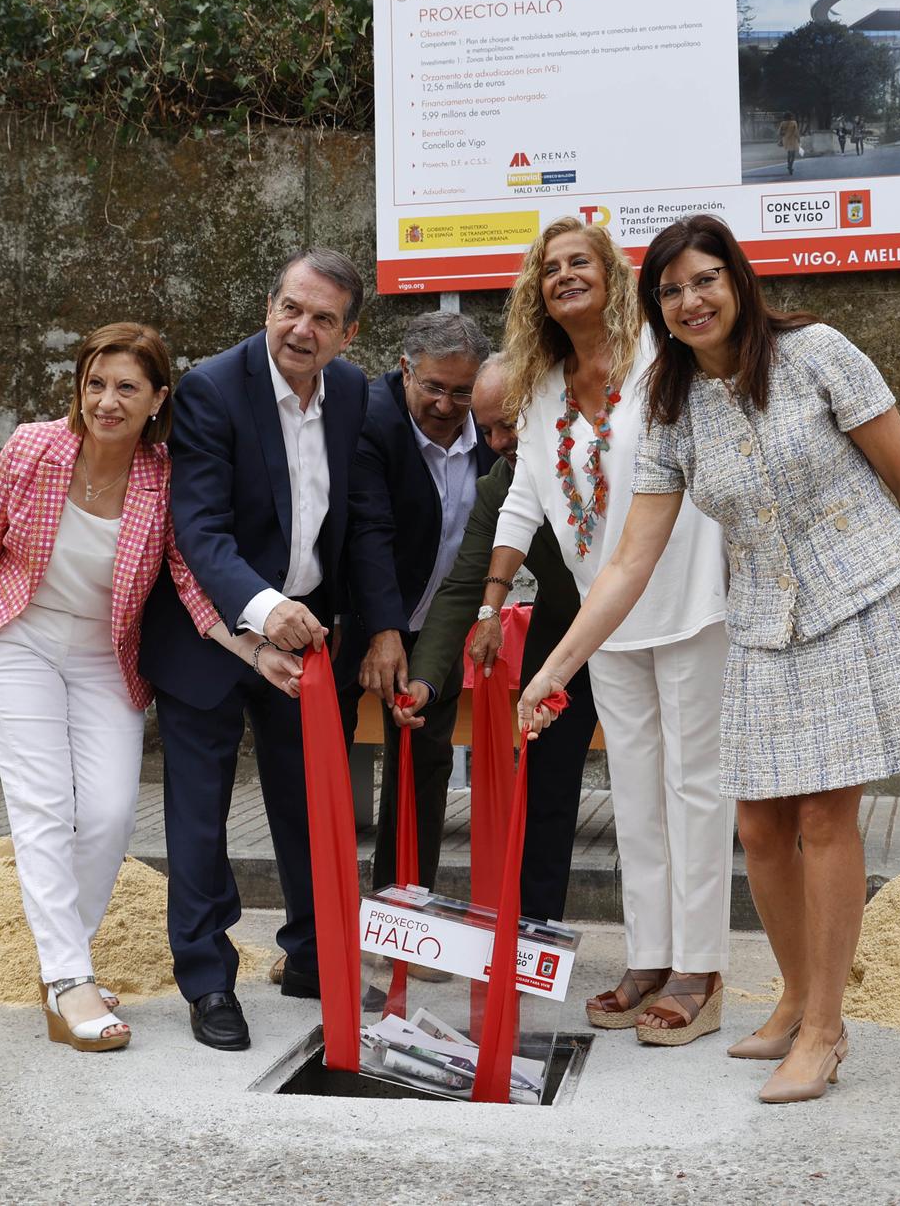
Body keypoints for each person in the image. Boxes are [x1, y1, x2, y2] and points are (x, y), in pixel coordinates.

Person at [519, 213, 900, 1104]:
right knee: (757, 826)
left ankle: (828, 1030)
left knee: (825, 820)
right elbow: (629, 561)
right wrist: (555, 668)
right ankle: (799, 997)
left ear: (738, 280)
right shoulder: (672, 411)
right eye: (672, 289)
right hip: (760, 615)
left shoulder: (818, 353)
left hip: (858, 596)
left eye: (705, 279)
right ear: (656, 307)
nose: (691, 300)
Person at [0, 322, 299, 1053]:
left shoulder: (163, 475)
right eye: (95, 382)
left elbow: (193, 587)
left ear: (158, 398)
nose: (106, 400)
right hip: (18, 639)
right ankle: (69, 981)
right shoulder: (34, 447)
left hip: (105, 650)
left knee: (104, 813)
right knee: (45, 804)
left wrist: (255, 653)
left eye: (126, 386)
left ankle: (65, 963)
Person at [483, 217, 733, 1046]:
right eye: (549, 268)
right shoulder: (541, 383)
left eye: (578, 261)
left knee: (695, 785)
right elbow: (523, 495)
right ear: (536, 291)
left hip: (690, 597)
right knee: (632, 788)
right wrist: (491, 599)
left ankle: (700, 967)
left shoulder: (664, 357)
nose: (563, 276)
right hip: (607, 616)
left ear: (614, 274)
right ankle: (648, 955)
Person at [139, 248, 371, 1052]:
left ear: (348, 333)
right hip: (212, 634)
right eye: (290, 308)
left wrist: (364, 628)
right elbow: (199, 529)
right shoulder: (211, 387)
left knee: (314, 805)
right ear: (269, 304)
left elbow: (355, 520)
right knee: (200, 821)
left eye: (322, 318)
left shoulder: (350, 391)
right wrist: (265, 613)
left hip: (306, 638)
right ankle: (207, 981)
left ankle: (312, 958)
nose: (300, 329)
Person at [393, 354, 601, 924]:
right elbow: (462, 587)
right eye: (485, 429)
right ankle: (532, 935)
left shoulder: (610, 452)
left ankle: (670, 959)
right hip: (562, 647)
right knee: (540, 793)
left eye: (508, 423)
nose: (498, 440)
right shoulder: (501, 483)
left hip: (646, 638)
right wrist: (426, 681)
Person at [339, 309, 497, 897]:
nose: (447, 404)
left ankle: (402, 917)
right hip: (358, 619)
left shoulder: (494, 428)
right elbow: (369, 530)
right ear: (405, 370)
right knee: (326, 766)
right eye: (433, 386)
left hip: (439, 623)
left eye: (462, 391)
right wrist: (383, 630)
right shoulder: (371, 419)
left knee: (423, 771)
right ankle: (317, 934)